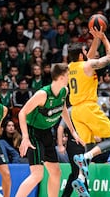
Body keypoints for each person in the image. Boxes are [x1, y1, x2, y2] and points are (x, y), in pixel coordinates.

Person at [15, 64, 82, 197]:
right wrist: (25, 137)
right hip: (33, 133)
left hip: (47, 133)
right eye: (68, 75)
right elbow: (22, 113)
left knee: (56, 172)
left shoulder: (64, 91)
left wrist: (73, 131)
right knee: (37, 175)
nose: (69, 78)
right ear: (62, 77)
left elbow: (62, 108)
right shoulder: (42, 94)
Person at [68, 26, 110, 197]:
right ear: (82, 54)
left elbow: (88, 56)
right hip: (89, 107)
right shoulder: (88, 65)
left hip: (75, 111)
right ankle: (84, 159)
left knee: (88, 145)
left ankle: (81, 179)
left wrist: (95, 38)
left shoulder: (71, 67)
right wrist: (103, 39)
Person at [57, 107, 88, 197]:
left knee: (75, 173)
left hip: (84, 145)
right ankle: (85, 195)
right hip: (73, 145)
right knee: (79, 171)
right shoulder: (70, 110)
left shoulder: (87, 109)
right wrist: (60, 145)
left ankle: (65, 195)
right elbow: (60, 128)